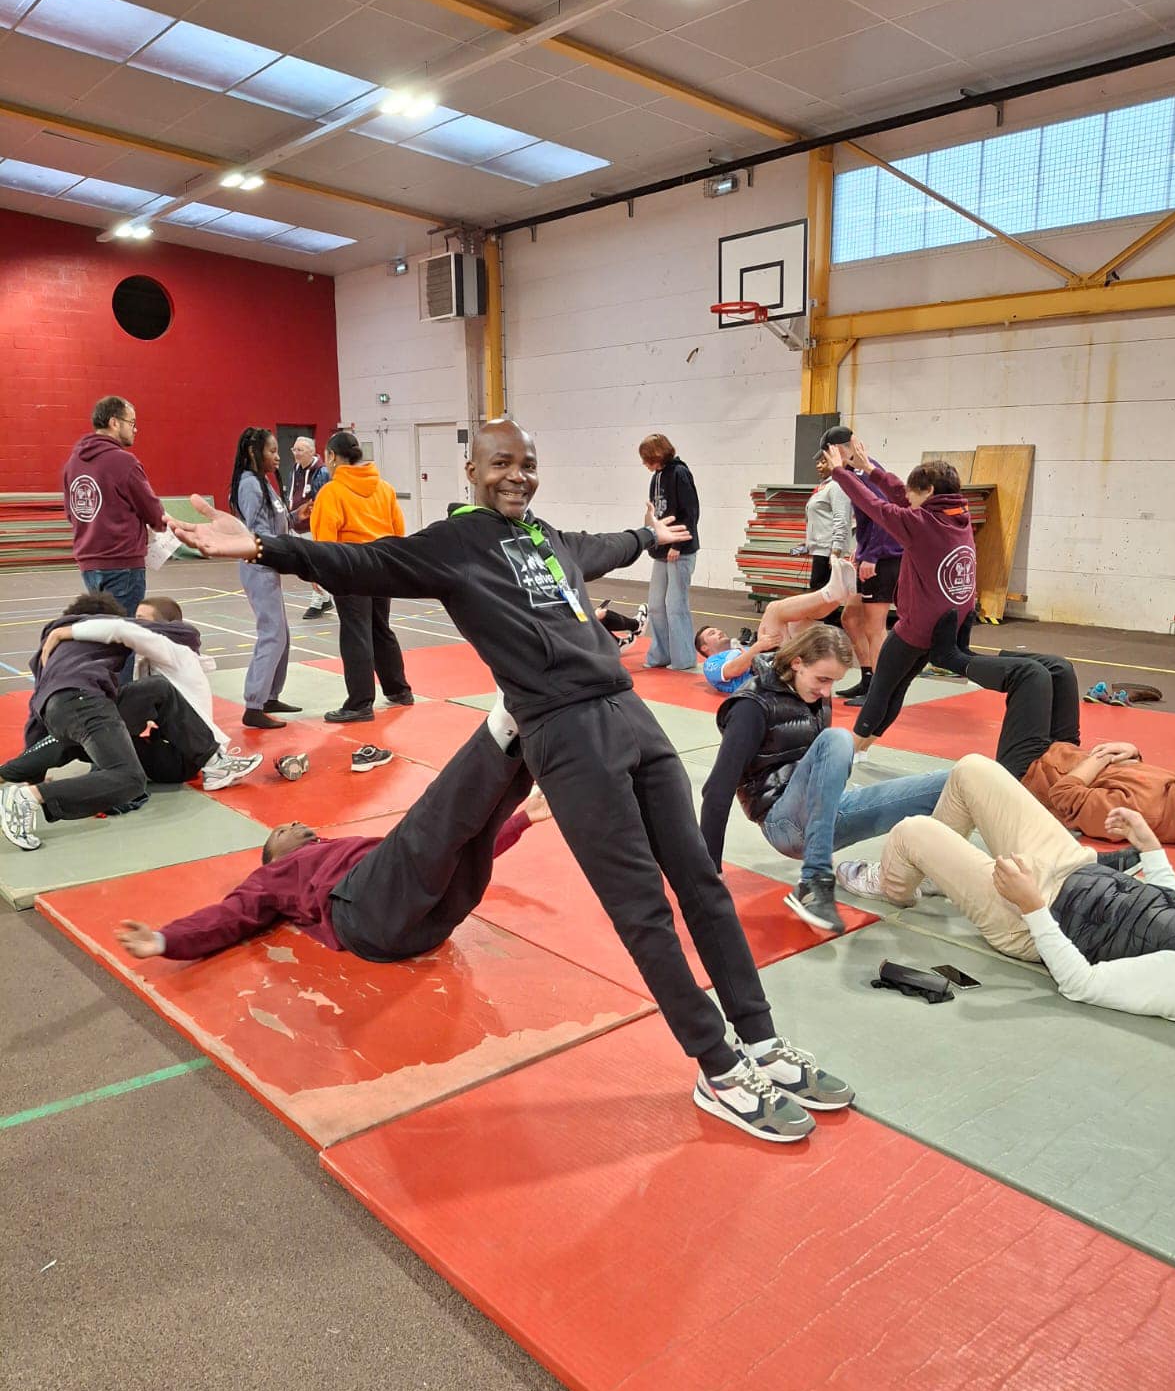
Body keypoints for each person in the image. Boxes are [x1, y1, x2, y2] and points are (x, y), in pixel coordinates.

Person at [168, 418, 856, 1145]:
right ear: (472, 469)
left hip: (630, 717)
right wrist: (262, 545)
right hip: (564, 735)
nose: (517, 475)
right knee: (644, 913)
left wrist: (647, 537)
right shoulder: (452, 545)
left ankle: (762, 1042)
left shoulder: (545, 537)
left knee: (702, 885)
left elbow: (596, 550)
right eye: (502, 463)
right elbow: (363, 564)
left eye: (527, 463)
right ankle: (717, 1067)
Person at [115, 710, 550, 963]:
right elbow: (229, 917)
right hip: (366, 917)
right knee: (430, 823)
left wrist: (524, 818)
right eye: (284, 829)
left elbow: (443, 849)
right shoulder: (273, 877)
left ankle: (534, 731)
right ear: (273, 854)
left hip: (428, 925)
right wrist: (164, 940)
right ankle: (505, 721)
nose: (299, 824)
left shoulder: (353, 855)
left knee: (464, 846)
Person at [835, 755, 1175, 1023]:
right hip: (1072, 867)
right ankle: (934, 874)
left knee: (911, 832)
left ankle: (891, 884)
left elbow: (1082, 984)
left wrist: (1032, 905)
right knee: (972, 770)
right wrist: (1150, 848)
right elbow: (1173, 910)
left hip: (1029, 921)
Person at [699, 624, 948, 933]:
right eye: (823, 679)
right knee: (839, 739)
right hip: (783, 822)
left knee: (955, 779)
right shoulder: (751, 706)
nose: (827, 691)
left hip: (823, 816)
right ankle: (815, 881)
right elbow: (717, 789)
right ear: (797, 664)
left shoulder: (813, 693)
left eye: (835, 682)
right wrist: (708, 871)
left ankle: (942, 868)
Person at [927, 615, 1175, 846]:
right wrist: (1133, 752)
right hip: (1065, 757)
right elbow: (1131, 781)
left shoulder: (1142, 815)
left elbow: (1063, 797)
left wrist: (1100, 759)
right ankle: (970, 657)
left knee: (1031, 676)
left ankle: (949, 658)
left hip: (1028, 776)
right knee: (1060, 669)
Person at [829, 434, 976, 753]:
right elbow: (901, 495)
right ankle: (864, 748)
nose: (907, 494)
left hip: (917, 628)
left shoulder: (921, 524)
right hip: (945, 625)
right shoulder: (957, 515)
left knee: (882, 689)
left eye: (914, 491)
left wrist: (842, 473)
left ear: (930, 493)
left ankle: (851, 751)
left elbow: (874, 504)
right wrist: (870, 468)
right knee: (898, 687)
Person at [28, 596, 261, 792]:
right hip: (168, 748)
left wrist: (62, 632)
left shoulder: (174, 651)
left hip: (184, 758)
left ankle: (215, 765)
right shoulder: (149, 661)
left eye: (141, 620)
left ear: (163, 627)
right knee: (88, 732)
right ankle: (26, 774)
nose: (134, 623)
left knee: (106, 725)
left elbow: (121, 629)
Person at [0, 593, 146, 850]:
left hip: (57, 710)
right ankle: (27, 797)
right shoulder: (109, 632)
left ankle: (11, 781)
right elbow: (174, 630)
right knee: (130, 778)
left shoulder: (53, 650)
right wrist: (35, 789)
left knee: (65, 738)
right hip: (84, 700)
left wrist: (34, 775)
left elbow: (36, 714)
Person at [311, 430, 413, 723]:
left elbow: (325, 538)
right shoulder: (385, 489)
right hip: (382, 565)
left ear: (331, 456)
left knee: (356, 632)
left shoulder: (331, 492)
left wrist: (318, 571)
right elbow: (398, 530)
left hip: (350, 567)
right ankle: (398, 690)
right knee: (381, 628)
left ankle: (359, 703)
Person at [820, 425, 903, 708]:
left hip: (885, 558)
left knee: (874, 627)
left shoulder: (866, 472)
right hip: (873, 553)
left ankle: (879, 694)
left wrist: (874, 556)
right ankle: (869, 677)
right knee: (850, 618)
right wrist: (861, 549)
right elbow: (868, 518)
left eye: (827, 456)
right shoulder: (854, 473)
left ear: (837, 450)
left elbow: (884, 515)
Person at [63, 395, 166, 621]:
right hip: (122, 563)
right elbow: (152, 510)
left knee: (104, 633)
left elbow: (73, 513)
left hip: (89, 562)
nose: (135, 429)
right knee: (124, 636)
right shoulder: (124, 462)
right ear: (114, 422)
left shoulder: (73, 462)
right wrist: (159, 525)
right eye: (132, 423)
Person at [695, 563, 858, 694]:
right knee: (774, 610)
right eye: (712, 633)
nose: (718, 632)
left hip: (770, 664)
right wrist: (757, 648)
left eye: (717, 630)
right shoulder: (711, 664)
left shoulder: (737, 648)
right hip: (766, 678)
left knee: (801, 617)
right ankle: (830, 593)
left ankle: (838, 595)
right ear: (705, 647)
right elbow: (733, 669)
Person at [231, 427, 297, 731]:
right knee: (272, 634)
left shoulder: (264, 483)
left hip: (269, 563)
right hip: (258, 564)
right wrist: (286, 551)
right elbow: (259, 531)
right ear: (253, 453)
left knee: (281, 632)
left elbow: (276, 520)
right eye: (272, 451)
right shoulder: (249, 485)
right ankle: (253, 704)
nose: (278, 457)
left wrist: (297, 516)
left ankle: (270, 695)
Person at [640, 433, 700, 672]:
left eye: (647, 459)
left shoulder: (680, 473)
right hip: (661, 551)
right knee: (655, 604)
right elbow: (656, 513)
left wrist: (678, 545)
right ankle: (661, 653)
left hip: (680, 550)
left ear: (657, 455)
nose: (645, 464)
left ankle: (683, 658)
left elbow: (691, 512)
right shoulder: (657, 477)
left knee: (676, 605)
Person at [287, 435, 333, 619]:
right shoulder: (295, 470)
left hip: (314, 526)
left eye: (300, 450)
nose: (296, 454)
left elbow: (321, 502)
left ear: (312, 452)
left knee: (315, 564)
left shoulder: (321, 472)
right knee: (307, 564)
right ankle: (325, 598)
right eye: (294, 450)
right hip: (298, 525)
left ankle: (318, 602)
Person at [803, 445, 854, 598]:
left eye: (823, 462)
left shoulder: (837, 486)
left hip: (828, 550)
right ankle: (824, 620)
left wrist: (836, 551)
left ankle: (826, 621)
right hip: (820, 548)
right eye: (818, 462)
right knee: (820, 592)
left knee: (821, 592)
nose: (818, 465)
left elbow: (842, 519)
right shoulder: (824, 487)